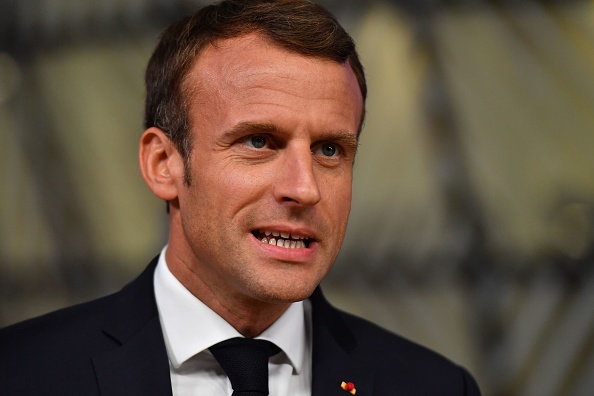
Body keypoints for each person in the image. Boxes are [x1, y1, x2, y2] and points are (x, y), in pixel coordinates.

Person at [0, 1, 481, 395]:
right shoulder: (22, 374)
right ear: (163, 165)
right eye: (259, 142)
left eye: (330, 149)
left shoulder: (432, 386)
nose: (305, 187)